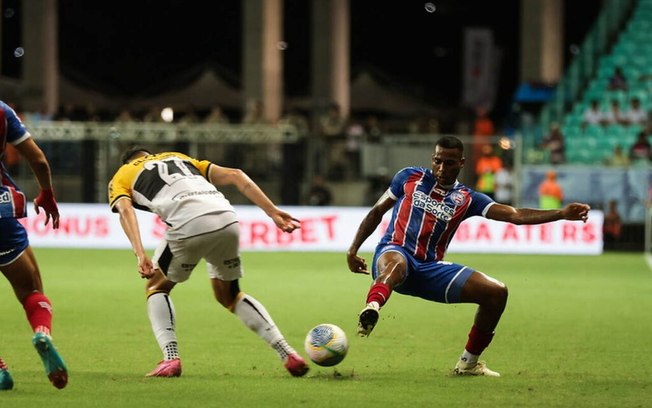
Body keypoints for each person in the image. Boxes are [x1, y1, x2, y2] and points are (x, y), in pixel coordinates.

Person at [346, 136, 590, 377]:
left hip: (429, 268)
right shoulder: (409, 177)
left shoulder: (468, 198)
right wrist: (353, 249)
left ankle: (468, 363)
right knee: (397, 264)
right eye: (438, 161)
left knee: (496, 292)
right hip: (393, 252)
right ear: (432, 159)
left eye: (449, 163)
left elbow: (515, 215)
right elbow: (377, 211)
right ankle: (372, 307)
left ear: (461, 163)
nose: (442, 168)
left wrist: (560, 213)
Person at [108, 148, 309, 378]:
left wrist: (139, 253)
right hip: (227, 218)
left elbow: (125, 210)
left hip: (187, 224)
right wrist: (272, 211)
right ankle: (287, 353)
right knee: (230, 295)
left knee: (156, 286)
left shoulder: (122, 174)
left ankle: (171, 358)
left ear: (128, 161)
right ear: (149, 154)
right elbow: (235, 174)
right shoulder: (179, 157)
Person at [0, 100, 68, 390]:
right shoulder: (2, 110)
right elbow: (38, 160)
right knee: (31, 290)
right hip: (1, 218)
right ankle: (42, 333)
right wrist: (47, 194)